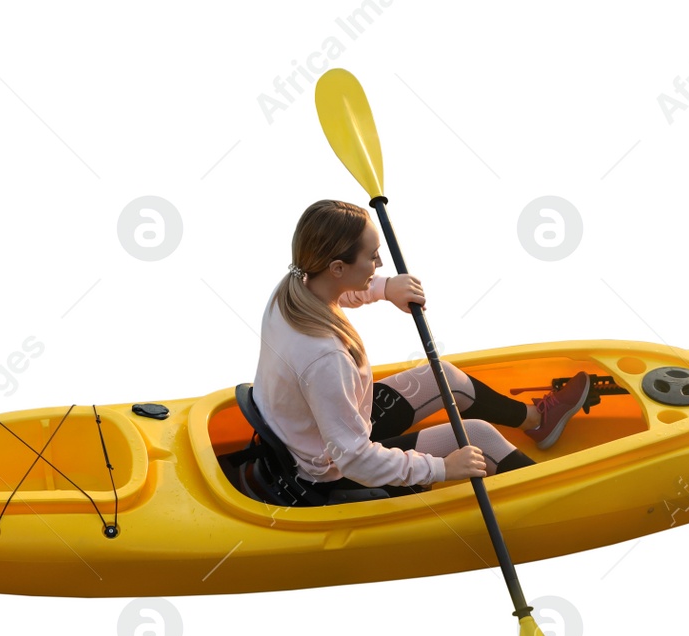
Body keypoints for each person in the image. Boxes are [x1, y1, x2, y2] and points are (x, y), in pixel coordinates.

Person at [252, 199, 590, 497]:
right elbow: (355, 459)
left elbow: (339, 290)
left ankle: (534, 421)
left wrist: (385, 288)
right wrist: (443, 469)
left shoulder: (293, 288)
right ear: (338, 267)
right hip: (329, 468)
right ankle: (556, 498)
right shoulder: (326, 357)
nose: (380, 263)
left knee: (444, 377)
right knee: (479, 437)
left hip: (317, 428)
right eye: (372, 258)